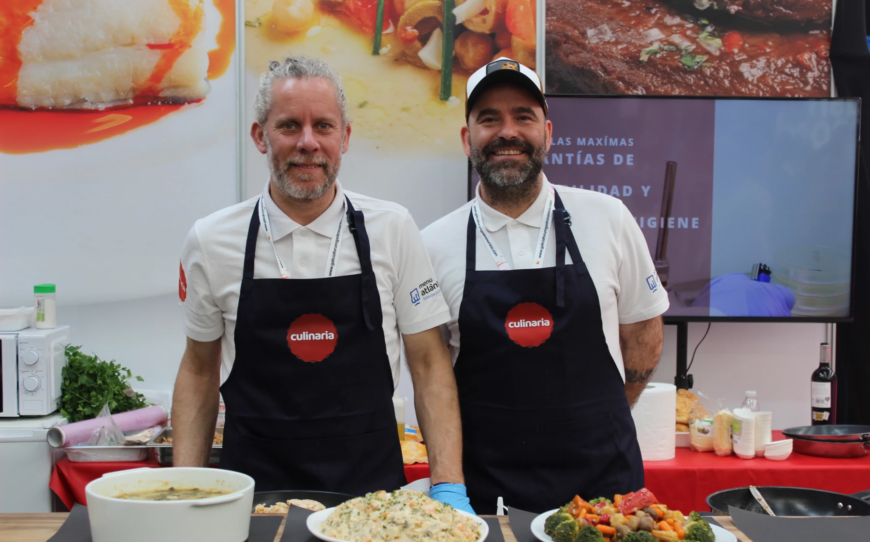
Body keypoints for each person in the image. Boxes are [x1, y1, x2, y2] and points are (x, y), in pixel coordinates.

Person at [172, 55, 471, 511]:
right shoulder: (212, 240)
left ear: (345, 137)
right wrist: (185, 491)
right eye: (290, 126)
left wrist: (449, 483)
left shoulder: (392, 228)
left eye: (324, 126)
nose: (308, 143)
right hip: (253, 499)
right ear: (260, 136)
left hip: (373, 502)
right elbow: (198, 371)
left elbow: (429, 363)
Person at [421, 58, 668, 514]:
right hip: (487, 493)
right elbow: (432, 374)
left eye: (523, 116)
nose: (507, 132)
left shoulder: (608, 218)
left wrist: (594, 418)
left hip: (604, 491)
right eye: (488, 119)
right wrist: (449, 486)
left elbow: (644, 335)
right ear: (466, 139)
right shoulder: (432, 245)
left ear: (549, 133)